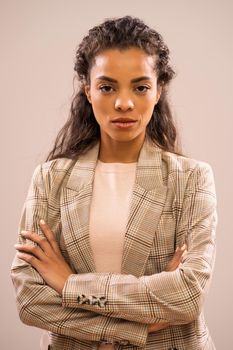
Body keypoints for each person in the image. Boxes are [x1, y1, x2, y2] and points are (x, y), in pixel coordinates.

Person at [11, 15, 218, 350]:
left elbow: (187, 296)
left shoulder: (192, 179)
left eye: (140, 87)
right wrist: (140, 322)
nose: (124, 102)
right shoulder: (51, 179)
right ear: (88, 89)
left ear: (159, 89)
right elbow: (30, 299)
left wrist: (69, 284)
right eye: (107, 87)